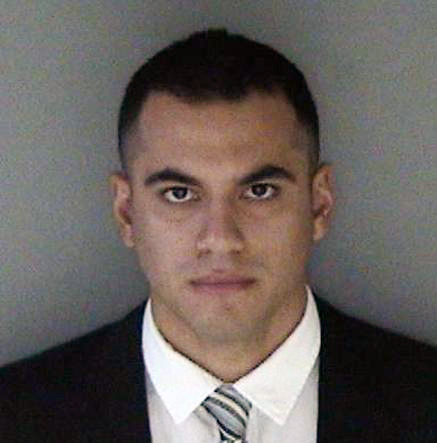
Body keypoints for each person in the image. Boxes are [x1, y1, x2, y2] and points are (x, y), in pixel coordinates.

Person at [0, 29, 436, 443]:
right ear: (127, 212)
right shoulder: (15, 418)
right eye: (179, 194)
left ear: (319, 205)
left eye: (259, 191)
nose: (221, 239)